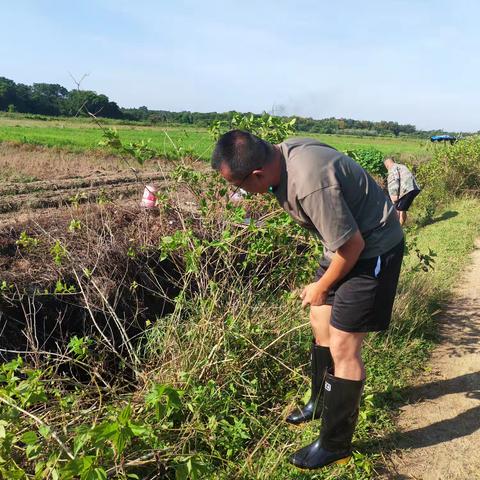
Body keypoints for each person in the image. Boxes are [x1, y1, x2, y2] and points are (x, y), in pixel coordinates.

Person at [211, 131, 404, 470]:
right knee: (320, 320)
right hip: (342, 244)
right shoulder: (283, 155)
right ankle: (319, 401)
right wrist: (322, 290)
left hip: (371, 248)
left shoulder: (309, 182)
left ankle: (335, 444)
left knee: (344, 346)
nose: (239, 193)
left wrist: (321, 285)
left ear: (257, 174)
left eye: (239, 185)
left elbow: (353, 247)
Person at [384, 157, 421, 225]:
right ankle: (400, 228)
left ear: (386, 165)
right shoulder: (401, 166)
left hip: (407, 190)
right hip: (413, 188)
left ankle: (399, 230)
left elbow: (394, 182)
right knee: (401, 209)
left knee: (399, 209)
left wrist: (394, 196)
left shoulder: (392, 168)